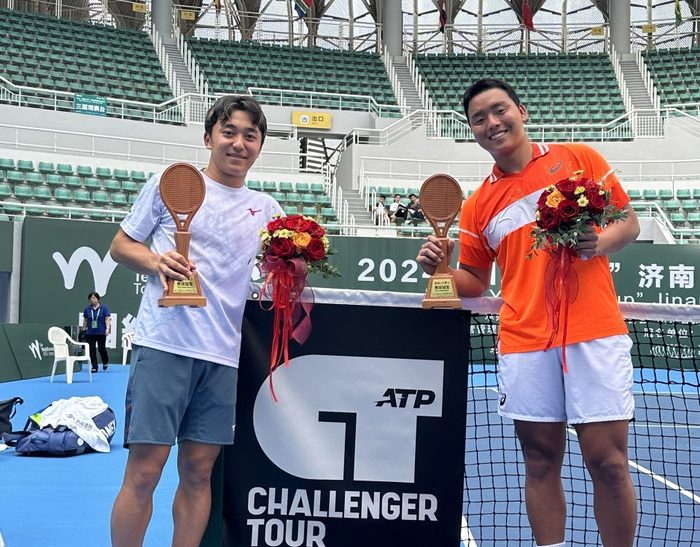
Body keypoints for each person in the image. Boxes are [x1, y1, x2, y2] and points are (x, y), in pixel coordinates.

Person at [417, 78, 640, 547]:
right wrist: (442, 267)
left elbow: (628, 221)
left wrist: (598, 242)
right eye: (480, 119)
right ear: (473, 131)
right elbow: (475, 284)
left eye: (500, 111)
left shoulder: (579, 159)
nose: (493, 123)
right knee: (540, 461)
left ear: (522, 110)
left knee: (609, 462)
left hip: (593, 330)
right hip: (525, 339)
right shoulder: (477, 206)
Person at [109, 95, 283, 547]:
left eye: (250, 135)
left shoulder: (268, 210)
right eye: (228, 132)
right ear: (208, 138)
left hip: (222, 355)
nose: (238, 143)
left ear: (260, 145)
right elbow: (121, 246)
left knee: (198, 471)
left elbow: (274, 276)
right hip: (165, 344)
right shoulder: (172, 184)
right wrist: (155, 262)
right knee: (145, 471)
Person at [81, 291, 111, 372]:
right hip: (90, 333)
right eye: (91, 298)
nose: (92, 299)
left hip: (101, 332)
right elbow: (85, 320)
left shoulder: (104, 308)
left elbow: (107, 319)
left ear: (98, 299)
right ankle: (94, 366)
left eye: (94, 298)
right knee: (92, 350)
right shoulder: (87, 309)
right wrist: (84, 329)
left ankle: (105, 361)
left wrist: (107, 329)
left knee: (101, 348)